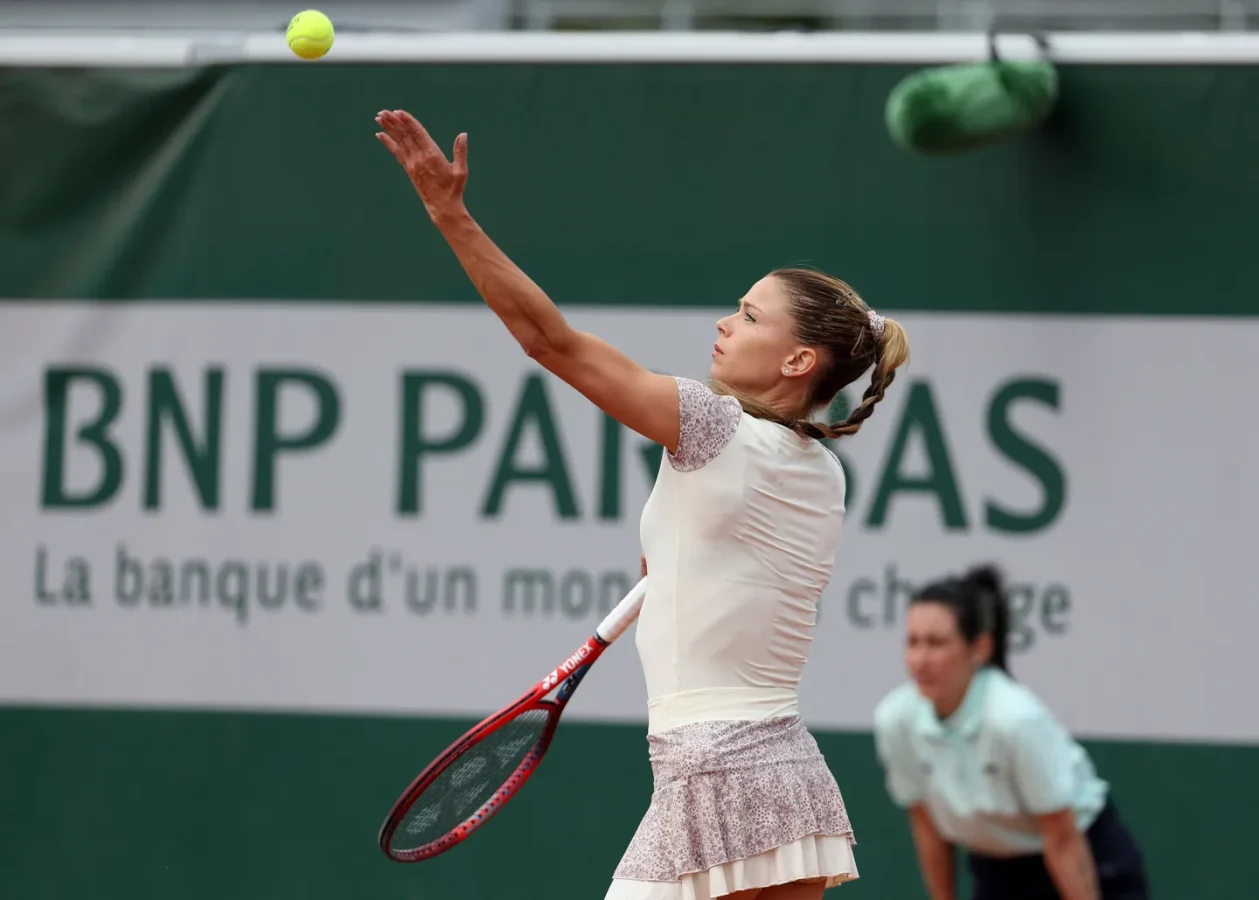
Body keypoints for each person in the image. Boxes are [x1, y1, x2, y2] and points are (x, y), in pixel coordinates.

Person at [374, 109, 910, 900]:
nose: (725, 323)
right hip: (787, 779)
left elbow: (549, 341)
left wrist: (449, 215)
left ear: (799, 359)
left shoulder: (715, 429)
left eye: (751, 317)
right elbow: (712, 570)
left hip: (714, 767)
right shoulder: (818, 470)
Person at [872, 566, 1150, 900]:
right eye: (913, 642)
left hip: (1083, 857)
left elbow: (1062, 838)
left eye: (936, 643)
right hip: (997, 867)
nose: (920, 659)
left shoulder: (1015, 719)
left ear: (981, 647)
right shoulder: (894, 720)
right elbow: (927, 826)